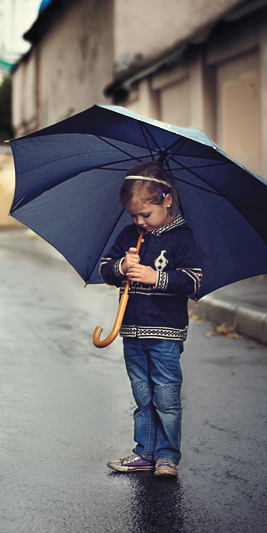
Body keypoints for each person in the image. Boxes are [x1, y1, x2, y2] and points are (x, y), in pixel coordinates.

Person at [99, 162, 202, 477]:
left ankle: (167, 457)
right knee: (142, 395)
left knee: (165, 397)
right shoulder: (130, 235)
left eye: (146, 214)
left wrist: (154, 276)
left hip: (166, 333)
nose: (140, 221)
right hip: (131, 330)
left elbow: (193, 281)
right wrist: (121, 266)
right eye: (133, 215)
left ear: (167, 200)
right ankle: (144, 453)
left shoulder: (181, 237)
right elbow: (105, 268)